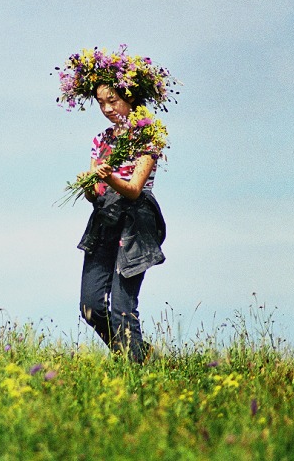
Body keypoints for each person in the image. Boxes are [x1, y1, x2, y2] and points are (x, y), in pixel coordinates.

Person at [55, 46, 175, 363]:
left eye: (113, 100)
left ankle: (136, 370)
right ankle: (140, 356)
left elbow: (135, 189)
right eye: (101, 103)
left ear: (130, 96)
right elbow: (96, 192)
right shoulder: (102, 139)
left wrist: (108, 179)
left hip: (135, 221)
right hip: (104, 218)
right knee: (91, 306)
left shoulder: (148, 135)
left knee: (123, 308)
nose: (107, 108)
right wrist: (90, 186)